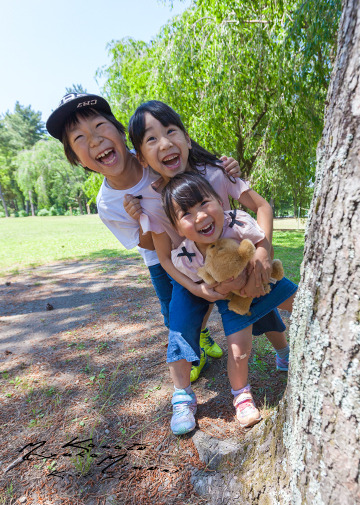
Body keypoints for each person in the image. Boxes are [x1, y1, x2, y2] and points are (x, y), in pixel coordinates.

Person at [127, 100, 297, 434]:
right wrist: (197, 289)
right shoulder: (149, 199)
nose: (164, 143)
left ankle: (285, 353)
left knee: (265, 304)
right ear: (141, 156)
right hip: (192, 276)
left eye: (171, 131)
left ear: (187, 139)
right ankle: (182, 395)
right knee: (180, 328)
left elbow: (260, 207)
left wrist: (263, 252)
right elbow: (164, 258)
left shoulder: (218, 172)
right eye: (151, 139)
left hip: (241, 266)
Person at [45, 92, 237, 380]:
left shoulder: (155, 153)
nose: (95, 140)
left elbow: (196, 167)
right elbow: (144, 242)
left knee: (208, 297)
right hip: (160, 260)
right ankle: (193, 349)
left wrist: (227, 168)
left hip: (199, 242)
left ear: (124, 135)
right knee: (174, 312)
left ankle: (202, 332)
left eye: (99, 127)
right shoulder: (108, 204)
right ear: (79, 160)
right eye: (80, 138)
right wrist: (141, 221)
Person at [161, 172, 297, 427]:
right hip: (234, 304)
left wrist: (260, 257)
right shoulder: (186, 255)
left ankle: (285, 355)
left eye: (204, 203)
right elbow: (200, 282)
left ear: (221, 202)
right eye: (186, 214)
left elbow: (262, 245)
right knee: (238, 353)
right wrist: (218, 288)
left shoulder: (239, 221)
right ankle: (242, 397)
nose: (200, 215)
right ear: (177, 228)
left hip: (267, 282)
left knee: (304, 304)